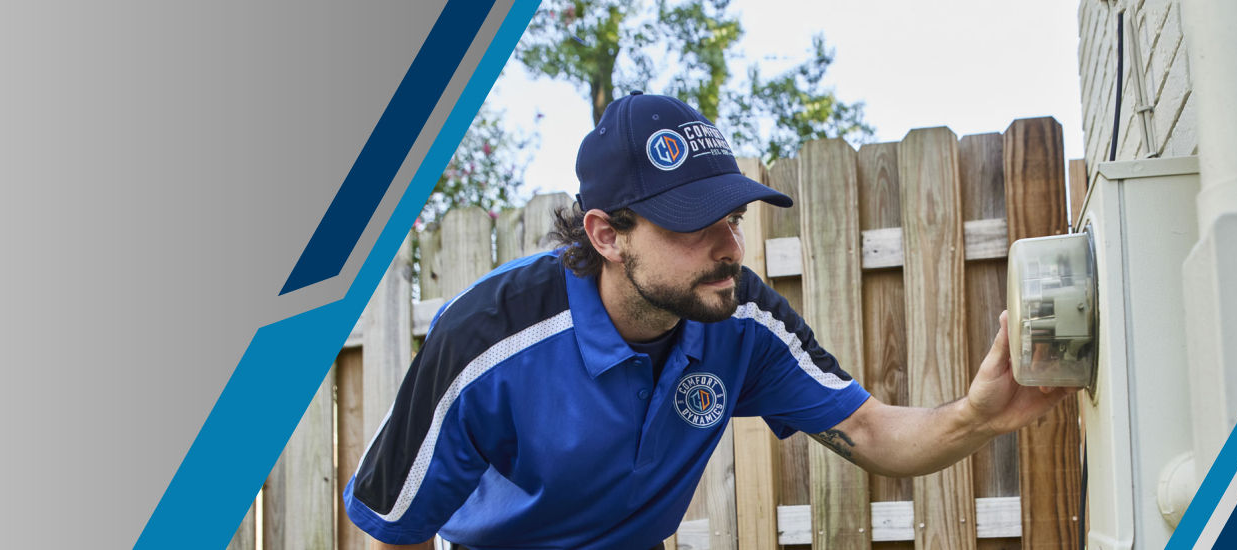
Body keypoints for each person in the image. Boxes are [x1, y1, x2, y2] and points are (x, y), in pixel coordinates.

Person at [343, 92, 1071, 550]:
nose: (730, 247)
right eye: (694, 225)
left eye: (734, 217)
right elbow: (396, 529)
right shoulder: (486, 338)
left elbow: (870, 432)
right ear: (606, 235)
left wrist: (975, 418)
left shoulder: (742, 317)